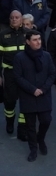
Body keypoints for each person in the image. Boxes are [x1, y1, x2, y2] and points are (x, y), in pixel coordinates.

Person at [14, 29, 56, 162]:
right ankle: (33, 149)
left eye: (39, 39)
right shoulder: (20, 57)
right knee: (30, 126)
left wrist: (43, 89)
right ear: (27, 41)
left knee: (46, 120)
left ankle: (41, 139)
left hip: (44, 95)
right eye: (35, 40)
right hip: (28, 96)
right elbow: (18, 77)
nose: (38, 42)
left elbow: (52, 74)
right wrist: (33, 90)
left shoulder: (46, 56)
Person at [1, 10, 26, 139]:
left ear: (21, 19)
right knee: (9, 101)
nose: (14, 19)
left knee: (25, 101)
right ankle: (9, 122)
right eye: (12, 18)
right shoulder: (3, 35)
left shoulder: (27, 34)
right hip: (10, 73)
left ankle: (22, 128)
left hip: (25, 74)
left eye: (17, 17)